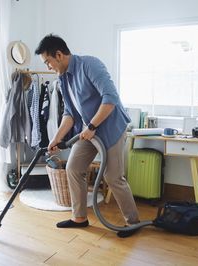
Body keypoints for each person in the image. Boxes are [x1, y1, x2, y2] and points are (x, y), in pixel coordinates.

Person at [35, 34, 140, 237]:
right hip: (88, 131)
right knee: (73, 168)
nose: (48, 66)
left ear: (59, 55)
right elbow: (69, 114)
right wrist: (56, 138)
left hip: (110, 128)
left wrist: (92, 125)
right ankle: (79, 218)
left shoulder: (90, 65)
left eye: (48, 61)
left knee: (113, 177)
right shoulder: (63, 79)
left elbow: (111, 98)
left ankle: (133, 222)